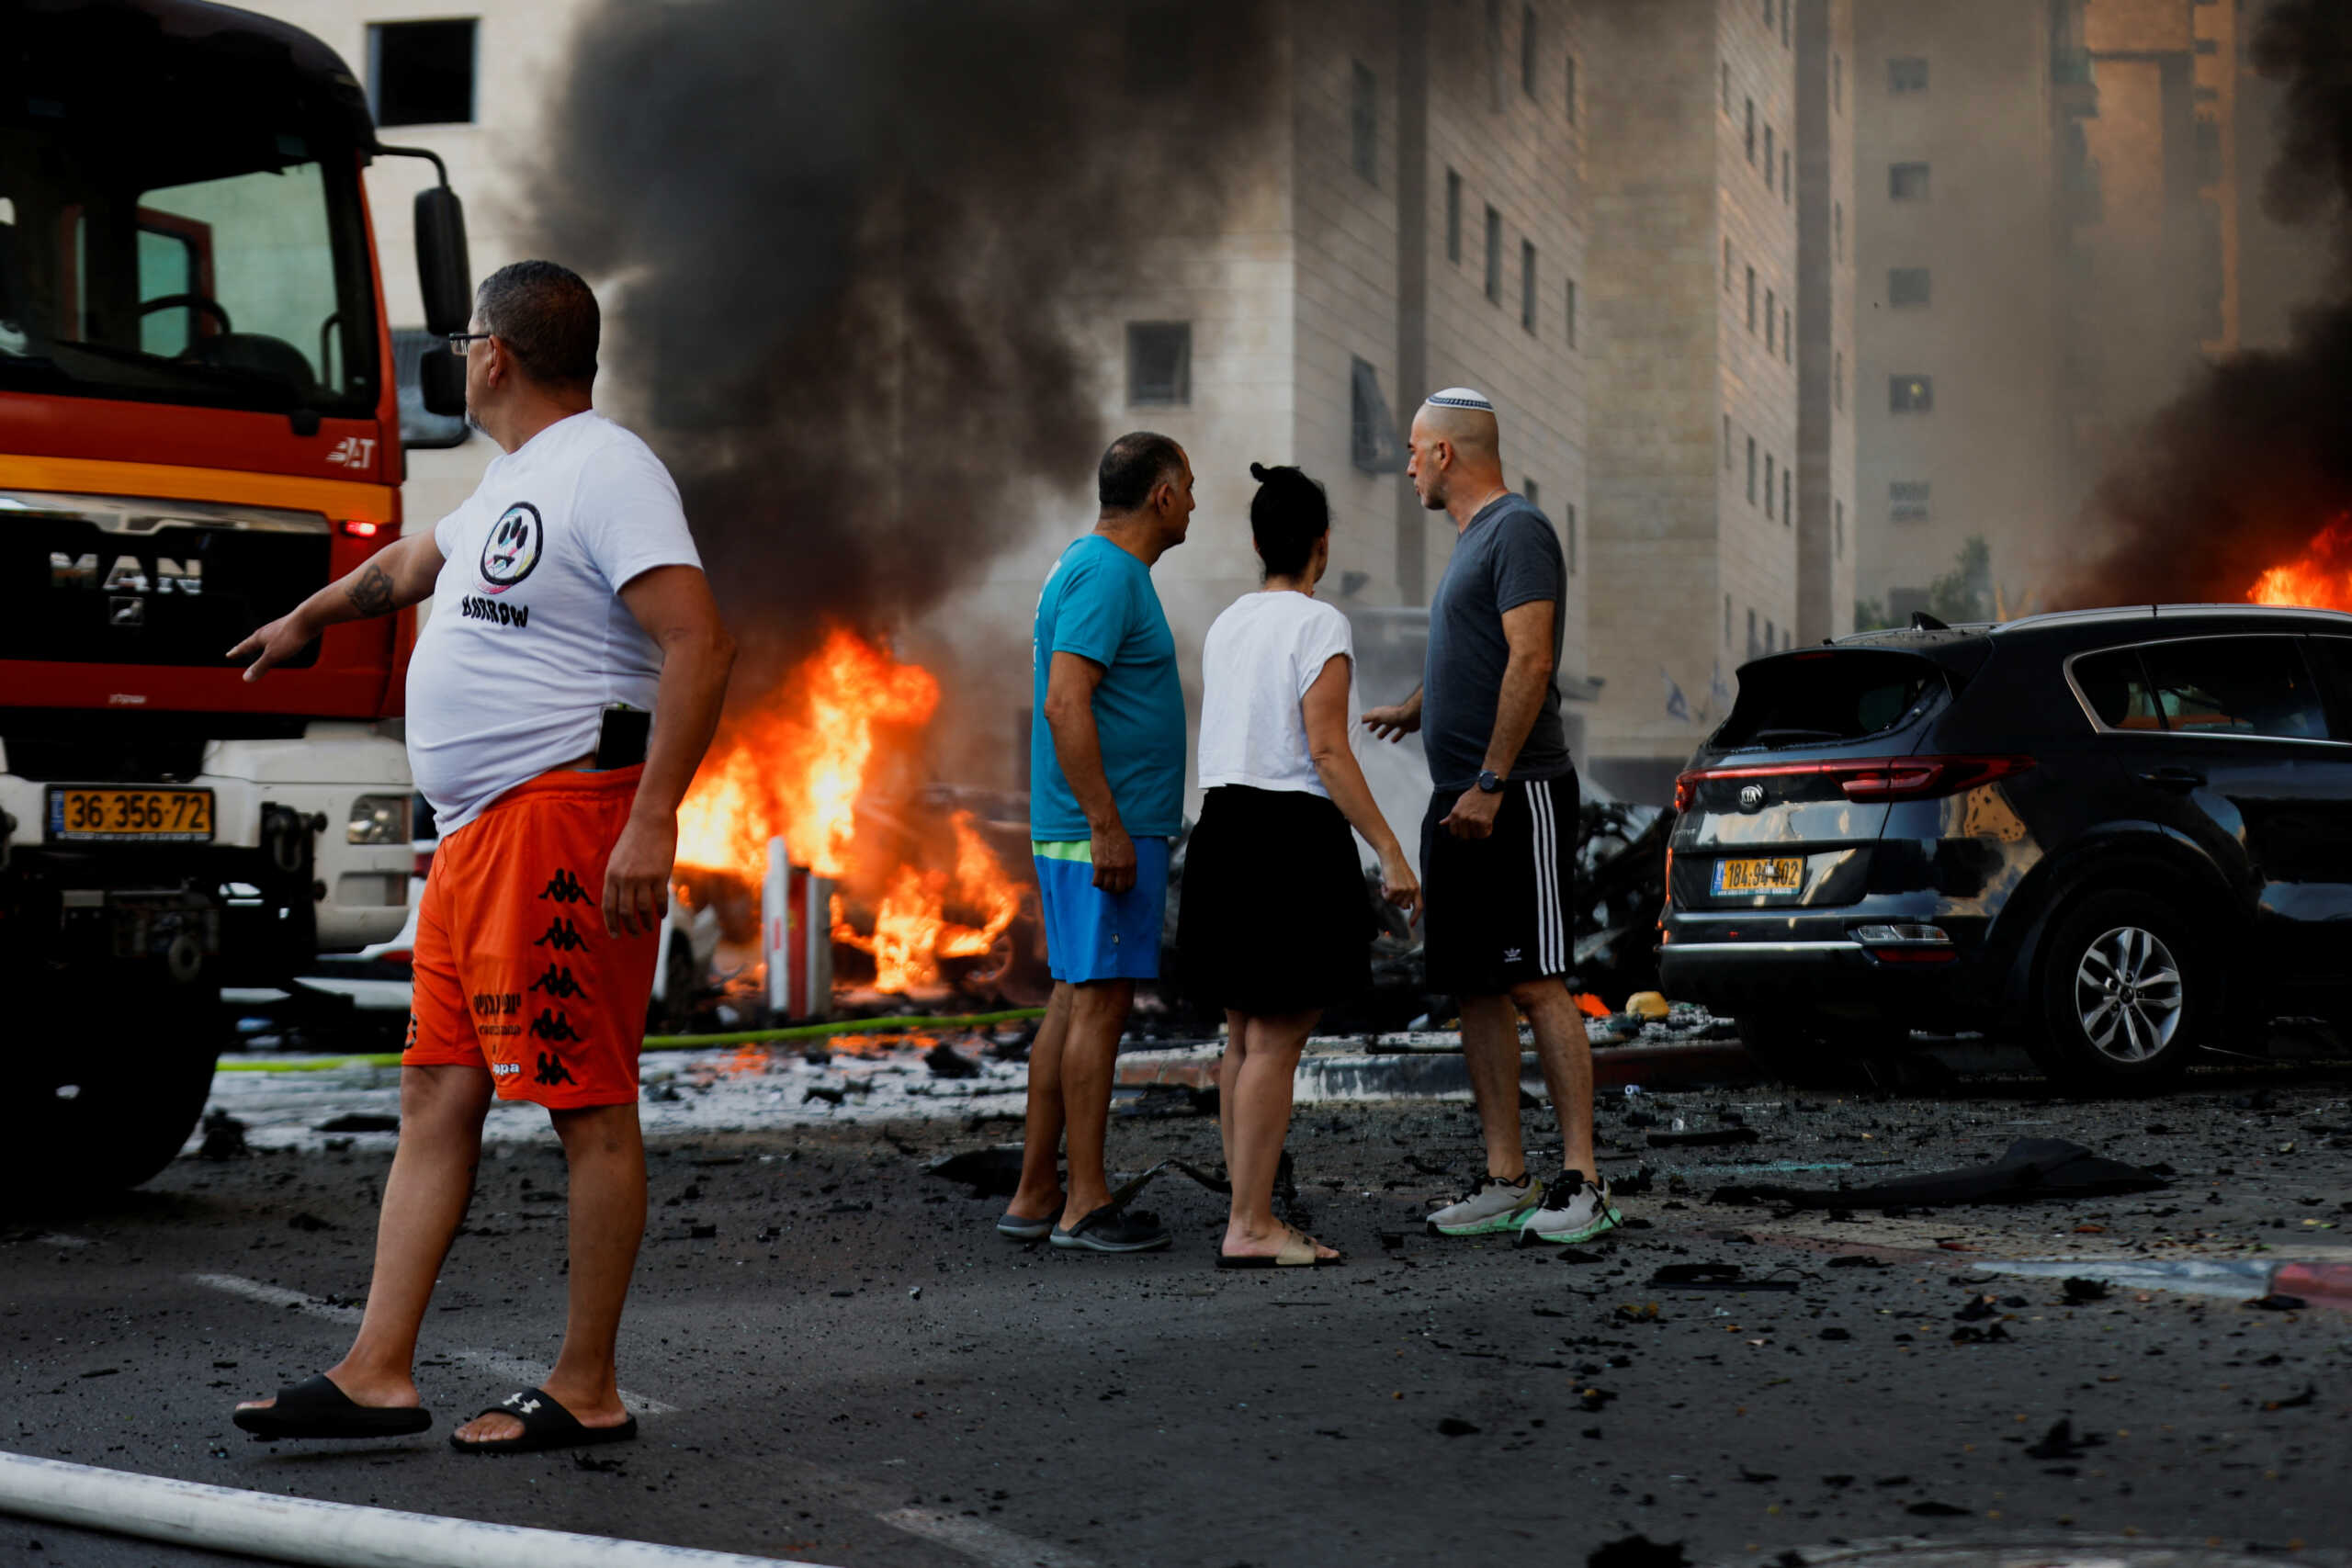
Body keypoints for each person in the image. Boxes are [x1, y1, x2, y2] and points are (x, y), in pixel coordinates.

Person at [229, 261, 735, 1452]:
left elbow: (699, 642)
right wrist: (313, 612)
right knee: (434, 1088)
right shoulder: (519, 475)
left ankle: (586, 1383)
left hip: (563, 820)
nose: (458, 357)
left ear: (495, 354)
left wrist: (654, 820)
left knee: (587, 1102)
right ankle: (376, 1369)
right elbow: (414, 564)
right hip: (474, 838)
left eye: (463, 340)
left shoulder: (611, 469)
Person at [1363, 388, 1621, 1247]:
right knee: (1475, 985)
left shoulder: (1518, 530)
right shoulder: (1476, 541)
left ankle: (1582, 1179)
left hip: (1518, 793)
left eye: (1412, 449)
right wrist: (1420, 703)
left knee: (1538, 978)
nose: (1404, 466)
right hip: (1463, 795)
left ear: (1445, 454)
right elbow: (1481, 654)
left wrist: (1492, 778)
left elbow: (1533, 656)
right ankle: (1507, 1177)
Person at [1178, 462, 1419, 1268]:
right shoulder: (1321, 626)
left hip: (1221, 827)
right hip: (1287, 838)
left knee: (1243, 1036)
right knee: (1275, 1041)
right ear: (1320, 545)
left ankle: (1251, 1208)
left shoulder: (1226, 624)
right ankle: (1248, 1222)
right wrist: (1390, 849)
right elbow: (1325, 748)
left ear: (1256, 542)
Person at [1003, 433, 1193, 1253]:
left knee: (1075, 1000)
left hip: (1089, 827)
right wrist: (1109, 824)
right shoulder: (1110, 574)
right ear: (1160, 494)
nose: (1195, 502)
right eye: (1189, 485)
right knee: (1101, 1006)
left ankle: (1037, 1190)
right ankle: (1085, 1200)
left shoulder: (1090, 567)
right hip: (1101, 834)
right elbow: (1064, 703)